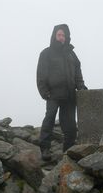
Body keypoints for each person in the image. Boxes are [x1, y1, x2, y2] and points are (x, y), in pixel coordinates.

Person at [36, 24, 87, 161]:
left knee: (70, 125)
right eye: (59, 35)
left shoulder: (71, 54)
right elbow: (41, 74)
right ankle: (45, 149)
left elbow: (77, 71)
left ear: (67, 37)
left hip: (70, 95)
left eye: (63, 35)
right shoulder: (46, 53)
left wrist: (81, 86)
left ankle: (68, 151)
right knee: (50, 119)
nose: (61, 37)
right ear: (54, 36)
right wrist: (44, 92)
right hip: (53, 94)